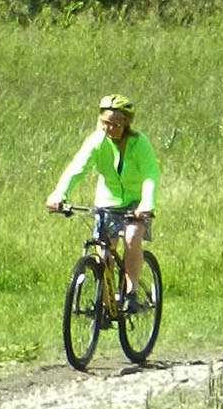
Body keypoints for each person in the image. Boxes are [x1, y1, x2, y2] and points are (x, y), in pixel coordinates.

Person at [45, 94, 160, 313]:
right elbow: (77, 168)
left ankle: (131, 293)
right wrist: (59, 194)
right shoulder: (96, 141)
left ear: (126, 124)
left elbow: (150, 174)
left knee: (132, 237)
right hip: (107, 202)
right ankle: (105, 306)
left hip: (136, 202)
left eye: (116, 124)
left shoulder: (139, 143)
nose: (110, 128)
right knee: (103, 253)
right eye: (105, 122)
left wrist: (146, 203)